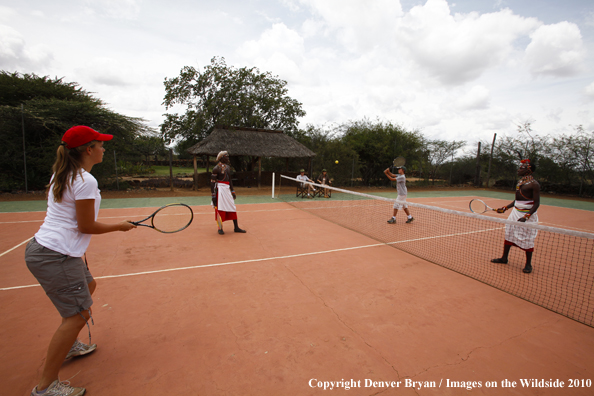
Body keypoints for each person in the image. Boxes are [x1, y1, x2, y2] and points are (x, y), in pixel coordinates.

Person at [25, 126, 137, 396]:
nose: (104, 148)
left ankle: (70, 345)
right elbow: (86, 225)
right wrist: (119, 226)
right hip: (56, 255)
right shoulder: (85, 180)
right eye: (100, 144)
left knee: (89, 286)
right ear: (88, 149)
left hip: (49, 250)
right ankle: (46, 386)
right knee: (78, 315)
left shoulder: (62, 174)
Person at [491, 159, 540, 274]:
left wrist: (526, 217)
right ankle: (504, 258)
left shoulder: (534, 184)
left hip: (527, 215)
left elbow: (537, 203)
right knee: (509, 233)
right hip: (515, 213)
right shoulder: (520, 182)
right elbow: (517, 200)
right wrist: (505, 208)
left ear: (529, 171)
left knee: (527, 238)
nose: (518, 170)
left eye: (521, 168)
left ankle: (528, 264)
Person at [211, 151, 246, 235]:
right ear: (222, 157)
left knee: (232, 207)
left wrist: (232, 191)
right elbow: (212, 182)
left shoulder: (228, 167)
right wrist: (213, 195)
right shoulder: (216, 168)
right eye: (226, 157)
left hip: (227, 190)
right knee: (220, 209)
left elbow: (229, 180)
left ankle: (236, 227)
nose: (228, 159)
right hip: (220, 190)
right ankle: (220, 228)